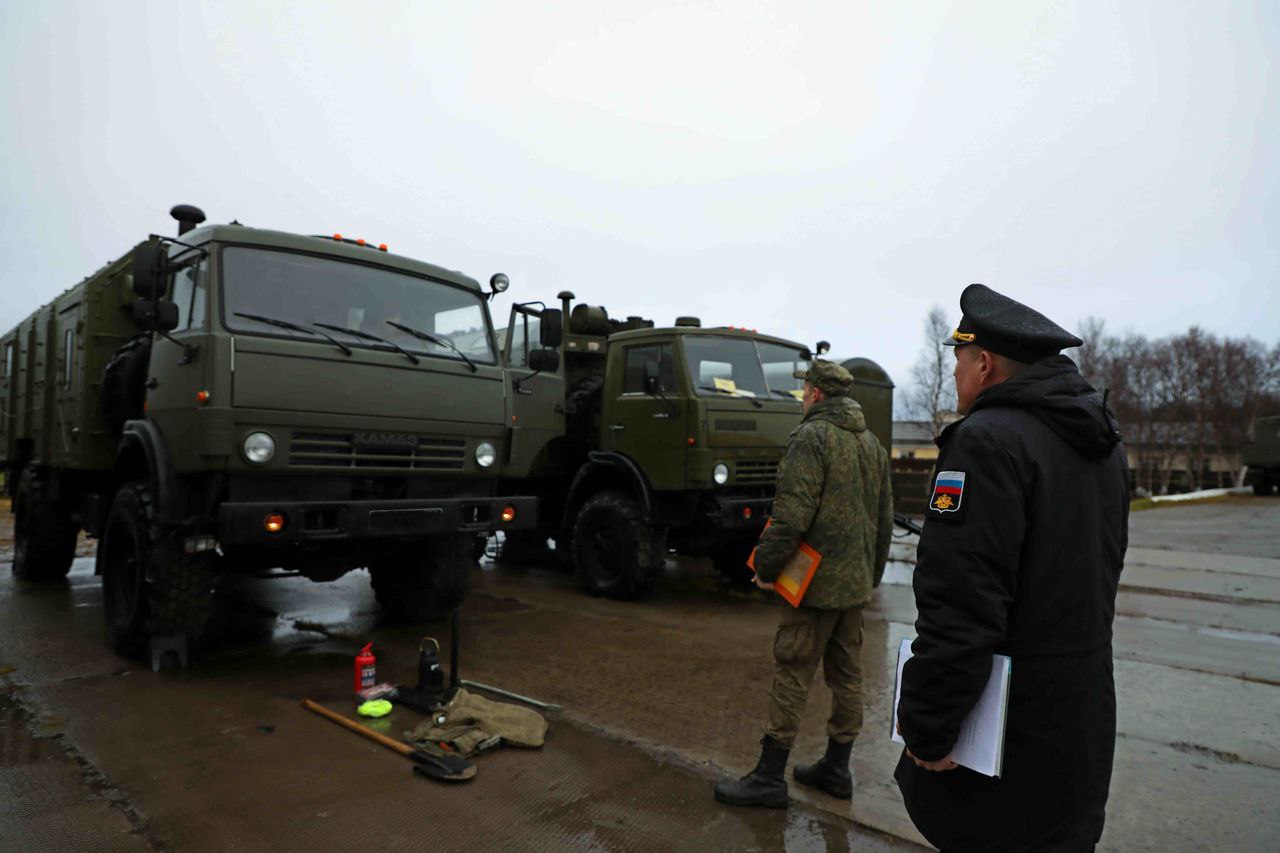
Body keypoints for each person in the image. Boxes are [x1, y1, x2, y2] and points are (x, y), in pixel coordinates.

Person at [895, 284, 1129, 851]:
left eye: (958, 359)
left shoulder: (985, 443)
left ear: (984, 363)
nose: (954, 374)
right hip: (1078, 721)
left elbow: (961, 605)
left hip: (1006, 736)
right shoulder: (1100, 441)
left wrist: (927, 726)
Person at [715, 359, 893, 808]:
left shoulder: (811, 437)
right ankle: (837, 768)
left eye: (804, 390)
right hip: (853, 586)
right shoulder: (871, 443)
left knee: (792, 672)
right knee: (847, 677)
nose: (801, 397)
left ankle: (768, 777)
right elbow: (885, 519)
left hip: (813, 588)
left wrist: (767, 568)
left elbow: (791, 516)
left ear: (815, 393)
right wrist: (869, 578)